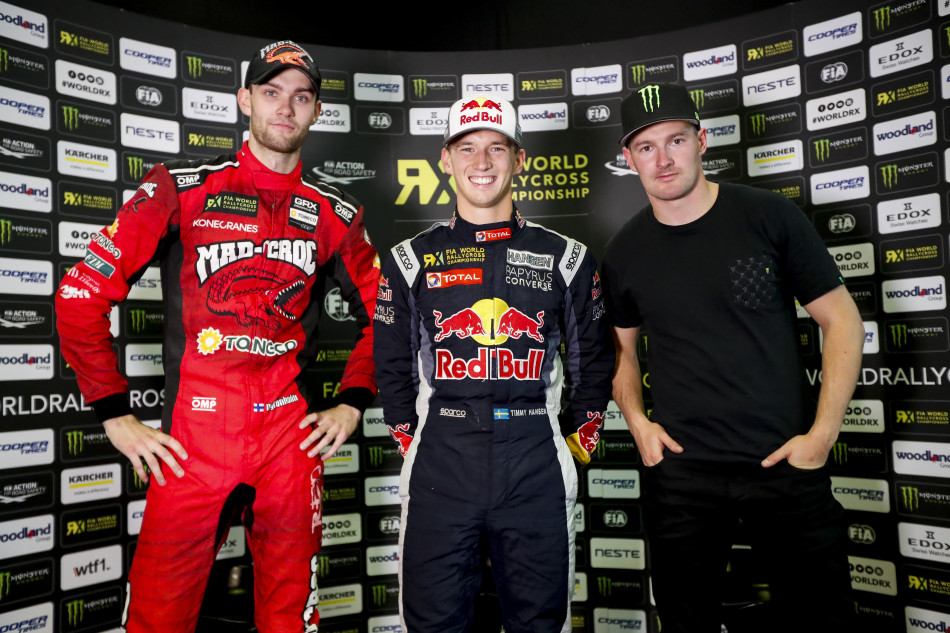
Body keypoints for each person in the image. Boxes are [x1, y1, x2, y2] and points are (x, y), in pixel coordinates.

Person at [55, 40, 379, 633]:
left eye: (301, 97)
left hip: (289, 442)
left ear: (317, 111)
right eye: (271, 92)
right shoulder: (180, 187)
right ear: (244, 100)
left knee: (289, 621)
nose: (285, 108)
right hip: (194, 442)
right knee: (157, 620)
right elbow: (80, 295)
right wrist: (113, 412)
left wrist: (352, 402)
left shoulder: (335, 212)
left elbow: (390, 317)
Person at [601, 82, 865, 632]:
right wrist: (639, 424)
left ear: (701, 141)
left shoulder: (767, 215)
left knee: (823, 619)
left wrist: (822, 436)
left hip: (784, 462)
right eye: (646, 147)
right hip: (682, 474)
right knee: (685, 622)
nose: (663, 158)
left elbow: (842, 321)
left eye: (675, 140)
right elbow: (620, 350)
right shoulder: (624, 250)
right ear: (629, 159)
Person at [373, 96, 614, 633]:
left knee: (539, 625)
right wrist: (415, 441)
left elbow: (593, 363)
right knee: (433, 625)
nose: (481, 162)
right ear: (445, 159)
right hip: (441, 464)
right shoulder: (410, 259)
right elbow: (392, 366)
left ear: (519, 159)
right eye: (467, 148)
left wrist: (576, 445)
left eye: (497, 148)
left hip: (534, 462)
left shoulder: (567, 257)